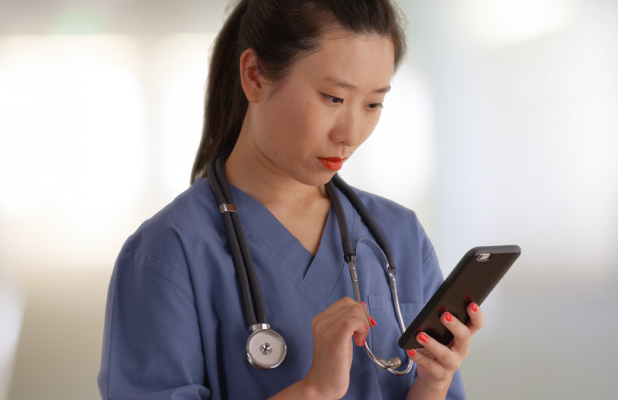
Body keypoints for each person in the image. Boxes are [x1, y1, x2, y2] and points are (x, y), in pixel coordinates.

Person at [97, 0, 486, 398]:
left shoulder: (400, 237)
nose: (350, 133)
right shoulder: (168, 253)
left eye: (373, 104)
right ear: (254, 76)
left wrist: (433, 383)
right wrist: (313, 391)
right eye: (334, 98)